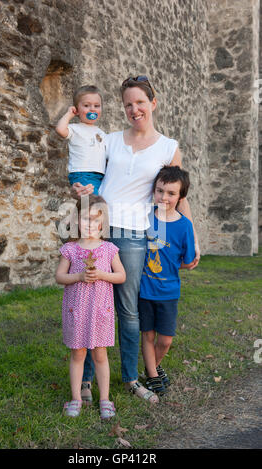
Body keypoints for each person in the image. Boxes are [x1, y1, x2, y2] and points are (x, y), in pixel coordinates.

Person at [72, 76, 200, 405]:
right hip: (96, 232)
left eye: (140, 102)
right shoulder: (109, 139)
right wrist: (81, 188)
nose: (134, 109)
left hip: (133, 235)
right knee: (91, 307)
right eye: (128, 104)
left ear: (153, 103)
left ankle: (130, 378)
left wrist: (193, 235)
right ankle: (85, 379)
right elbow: (90, 176)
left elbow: (178, 195)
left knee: (128, 312)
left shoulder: (167, 147)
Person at [55, 195, 126, 418]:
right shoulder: (71, 249)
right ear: (76, 220)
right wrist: (78, 276)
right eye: (85, 219)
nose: (90, 225)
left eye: (96, 220)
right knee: (77, 354)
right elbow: (59, 277)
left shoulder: (109, 249)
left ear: (103, 223)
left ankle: (105, 399)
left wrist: (102, 274)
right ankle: (76, 397)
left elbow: (121, 276)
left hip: (100, 312)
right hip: (77, 311)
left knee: (100, 355)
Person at [139, 165, 195, 395]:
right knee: (148, 334)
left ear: (181, 197)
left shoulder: (184, 226)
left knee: (165, 340)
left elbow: (188, 260)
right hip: (144, 290)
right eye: (160, 191)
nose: (164, 197)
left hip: (169, 291)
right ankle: (152, 376)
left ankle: (152, 367)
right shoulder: (144, 218)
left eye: (171, 193)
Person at [55, 85, 106, 195]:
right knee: (91, 203)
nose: (92, 109)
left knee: (98, 206)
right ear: (77, 110)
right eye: (86, 105)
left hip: (100, 175)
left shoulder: (102, 133)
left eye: (96, 106)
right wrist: (69, 114)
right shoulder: (75, 128)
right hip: (82, 174)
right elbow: (60, 129)